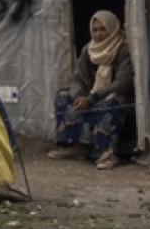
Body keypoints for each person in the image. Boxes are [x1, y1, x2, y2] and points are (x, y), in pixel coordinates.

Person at [47, 10, 134, 170]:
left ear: (113, 28)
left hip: (114, 96)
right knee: (63, 96)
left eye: (103, 29)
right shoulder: (88, 50)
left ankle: (108, 153)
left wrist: (93, 97)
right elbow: (77, 78)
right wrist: (80, 95)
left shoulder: (123, 50)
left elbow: (123, 83)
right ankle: (74, 146)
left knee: (112, 102)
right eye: (95, 30)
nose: (99, 34)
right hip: (90, 95)